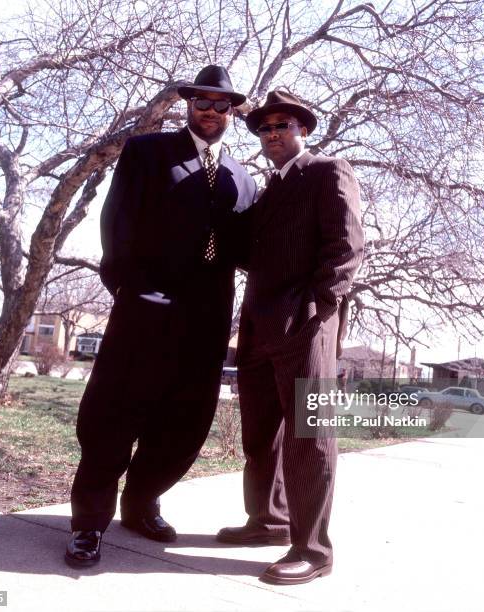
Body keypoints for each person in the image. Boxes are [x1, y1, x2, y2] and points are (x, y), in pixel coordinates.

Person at [65, 65, 256, 568]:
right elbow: (117, 220)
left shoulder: (244, 178)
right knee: (113, 416)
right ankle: (88, 525)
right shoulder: (147, 152)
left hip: (208, 318)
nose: (211, 111)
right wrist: (130, 288)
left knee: (184, 420)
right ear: (188, 104)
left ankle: (142, 502)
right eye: (202, 101)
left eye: (222, 104)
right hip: (146, 307)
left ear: (232, 111)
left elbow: (245, 248)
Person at [216, 90, 364, 585]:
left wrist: (315, 308)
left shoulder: (327, 171)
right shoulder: (267, 190)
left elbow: (346, 249)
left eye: (283, 125)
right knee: (262, 434)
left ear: (303, 130)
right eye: (264, 128)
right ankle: (269, 521)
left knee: (310, 435)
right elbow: (252, 253)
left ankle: (314, 549)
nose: (273, 134)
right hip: (258, 326)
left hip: (305, 327)